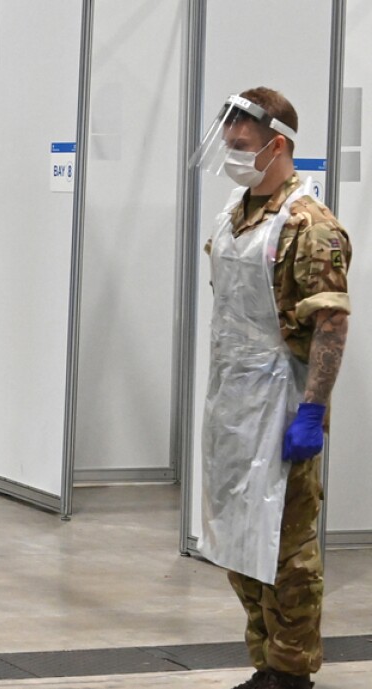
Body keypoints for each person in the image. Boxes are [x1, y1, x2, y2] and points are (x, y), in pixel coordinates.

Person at [191, 88, 352, 689]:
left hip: (281, 398)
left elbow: (330, 324)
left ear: (277, 145)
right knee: (239, 539)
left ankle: (291, 671)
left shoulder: (311, 227)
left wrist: (312, 410)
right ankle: (266, 661)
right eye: (228, 143)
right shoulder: (236, 210)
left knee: (286, 548)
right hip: (232, 397)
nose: (233, 155)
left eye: (242, 145)